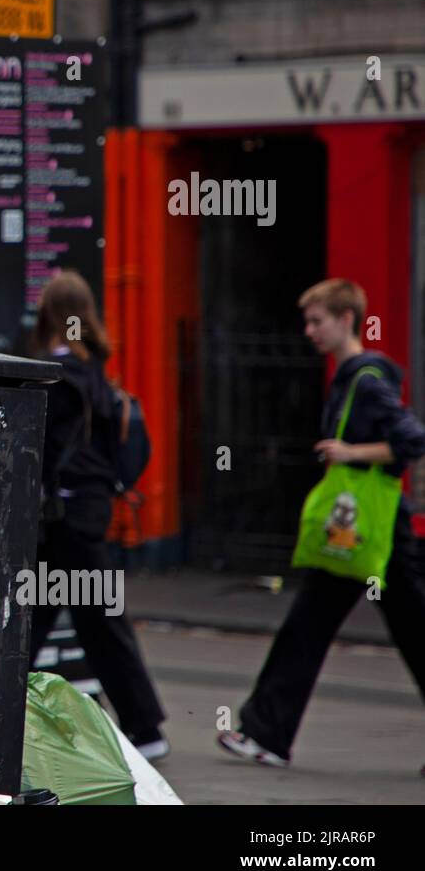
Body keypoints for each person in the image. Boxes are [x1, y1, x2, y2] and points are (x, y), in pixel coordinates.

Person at [219, 278, 425, 769]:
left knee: (309, 626)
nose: (310, 331)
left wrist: (349, 452)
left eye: (318, 321)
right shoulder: (356, 377)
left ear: (346, 319)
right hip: (370, 529)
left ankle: (266, 733)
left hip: (368, 527)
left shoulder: (366, 379)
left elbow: (412, 440)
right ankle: (266, 731)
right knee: (406, 630)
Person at [29, 270, 169, 760]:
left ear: (47, 314)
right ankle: (144, 726)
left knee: (69, 619)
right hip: (86, 515)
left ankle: (146, 727)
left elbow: (40, 452)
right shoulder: (99, 377)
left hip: (60, 517)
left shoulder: (54, 376)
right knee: (74, 618)